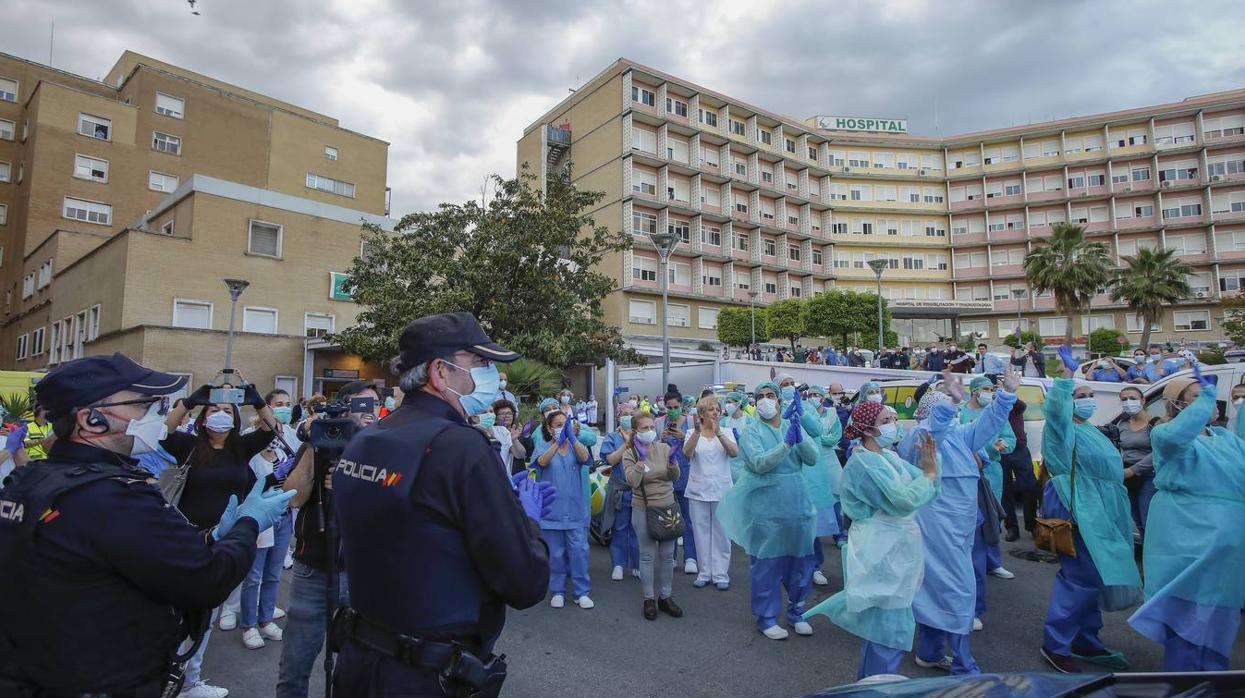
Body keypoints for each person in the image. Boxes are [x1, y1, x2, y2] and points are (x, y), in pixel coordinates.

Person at [0, 353, 293, 698]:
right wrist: (249, 521)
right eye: (145, 405)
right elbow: (208, 579)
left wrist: (213, 535)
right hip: (99, 679)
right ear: (91, 420)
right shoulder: (114, 496)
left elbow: (132, 552)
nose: (155, 415)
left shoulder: (33, 479)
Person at [330, 312, 552, 697]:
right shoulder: (461, 447)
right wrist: (527, 521)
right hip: (425, 676)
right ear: (440, 371)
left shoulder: (368, 438)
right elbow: (525, 582)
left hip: (360, 663)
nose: (490, 376)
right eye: (479, 363)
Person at [804, 400, 940, 679]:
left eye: (893, 418)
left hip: (896, 545)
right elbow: (904, 500)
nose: (894, 425)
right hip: (880, 547)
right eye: (886, 420)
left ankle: (869, 685)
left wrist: (929, 472)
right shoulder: (863, 462)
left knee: (885, 625)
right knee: (887, 627)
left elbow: (929, 489)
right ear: (868, 430)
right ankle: (876, 687)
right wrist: (928, 475)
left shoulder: (889, 458)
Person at [160, 383, 279, 694]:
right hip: (188, 536)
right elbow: (165, 429)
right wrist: (188, 401)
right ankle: (169, 673)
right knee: (177, 610)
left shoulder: (240, 448)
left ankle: (190, 679)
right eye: (214, 409)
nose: (221, 415)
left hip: (226, 538)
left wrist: (257, 401)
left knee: (208, 612)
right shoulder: (189, 445)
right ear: (203, 417)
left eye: (228, 411)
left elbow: (272, 429)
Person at [899, 370, 1019, 674]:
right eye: (945, 406)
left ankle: (930, 651)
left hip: (960, 526)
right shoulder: (920, 436)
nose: (953, 412)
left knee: (937, 587)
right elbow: (935, 431)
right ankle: (964, 663)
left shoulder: (959, 435)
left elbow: (988, 425)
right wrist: (952, 401)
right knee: (957, 589)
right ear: (931, 410)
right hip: (935, 524)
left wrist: (1005, 396)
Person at [1129, 372, 1245, 671]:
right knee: (1189, 615)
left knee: (1221, 617)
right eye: (1196, 396)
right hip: (1188, 535)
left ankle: (1212, 679)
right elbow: (1178, 435)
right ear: (1177, 405)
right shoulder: (1165, 435)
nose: (1210, 403)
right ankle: (1185, 681)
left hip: (1230, 545)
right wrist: (1206, 398)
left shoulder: (1226, 438)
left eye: (1210, 396)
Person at [1038, 348, 1142, 673]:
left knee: (1095, 578)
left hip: (1103, 511)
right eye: (1079, 395)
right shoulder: (1062, 428)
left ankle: (1085, 639)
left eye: (1089, 393)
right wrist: (1066, 380)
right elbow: (1055, 409)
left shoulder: (1090, 429)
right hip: (1079, 508)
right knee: (1080, 579)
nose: (1086, 399)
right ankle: (1056, 644)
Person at [276, 381, 378, 698]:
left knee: (357, 666)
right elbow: (292, 498)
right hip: (314, 569)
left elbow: (394, 497)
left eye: (375, 403)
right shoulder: (318, 441)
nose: (370, 411)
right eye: (363, 404)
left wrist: (356, 486)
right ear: (344, 407)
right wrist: (314, 443)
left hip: (362, 572)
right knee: (295, 667)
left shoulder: (383, 447)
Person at [718, 381, 822, 640]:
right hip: (766, 507)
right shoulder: (752, 431)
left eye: (770, 395)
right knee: (768, 563)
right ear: (754, 402)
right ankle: (766, 617)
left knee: (800, 560)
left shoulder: (791, 424)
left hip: (798, 503)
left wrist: (799, 437)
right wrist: (786, 446)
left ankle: (797, 611)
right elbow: (759, 463)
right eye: (760, 396)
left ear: (779, 400)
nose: (766, 400)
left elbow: (812, 458)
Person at [235, 389, 301, 650]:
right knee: (254, 575)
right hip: (260, 518)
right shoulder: (250, 444)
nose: (284, 408)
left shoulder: (290, 439)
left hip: (283, 514)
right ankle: (249, 624)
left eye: (288, 404)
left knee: (274, 573)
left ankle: (265, 619)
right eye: (278, 405)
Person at [959, 375, 1017, 616]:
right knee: (972, 520)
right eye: (985, 389)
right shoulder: (961, 413)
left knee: (992, 517)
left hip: (991, 473)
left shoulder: (994, 412)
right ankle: (971, 563)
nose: (988, 393)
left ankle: (994, 562)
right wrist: (983, 451)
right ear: (973, 391)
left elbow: (1010, 439)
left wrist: (999, 447)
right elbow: (959, 441)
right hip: (966, 472)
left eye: (992, 389)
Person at [622, 411, 683, 620]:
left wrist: (673, 462)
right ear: (635, 431)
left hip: (668, 507)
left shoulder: (664, 448)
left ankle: (665, 597)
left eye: (651, 427)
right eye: (644, 428)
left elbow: (673, 477)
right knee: (647, 555)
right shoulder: (630, 453)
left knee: (667, 556)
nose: (649, 432)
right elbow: (632, 481)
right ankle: (649, 598)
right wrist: (641, 460)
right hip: (643, 509)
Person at [533, 408, 594, 609]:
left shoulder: (577, 447)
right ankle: (558, 590)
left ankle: (581, 592)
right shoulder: (542, 447)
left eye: (565, 424)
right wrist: (557, 443)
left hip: (575, 511)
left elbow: (585, 459)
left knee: (579, 553)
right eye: (558, 425)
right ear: (549, 429)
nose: (562, 428)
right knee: (555, 554)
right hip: (551, 512)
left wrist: (572, 439)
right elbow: (541, 462)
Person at [683, 395, 738, 590]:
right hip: (698, 489)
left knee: (722, 533)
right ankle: (705, 572)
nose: (715, 412)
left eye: (717, 409)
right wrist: (698, 433)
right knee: (701, 532)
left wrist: (719, 433)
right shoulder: (691, 432)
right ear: (701, 414)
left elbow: (734, 453)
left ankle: (721, 574)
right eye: (710, 409)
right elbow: (687, 453)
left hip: (722, 489)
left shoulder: (728, 432)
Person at [1097, 386, 1156, 539]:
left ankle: (1154, 556)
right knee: (1138, 520)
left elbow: (1159, 452)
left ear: (1143, 400)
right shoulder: (1122, 424)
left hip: (1149, 475)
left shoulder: (1155, 424)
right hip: (1127, 476)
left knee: (1148, 519)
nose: (1128, 402)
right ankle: (1146, 554)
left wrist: (1134, 470)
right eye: (1124, 399)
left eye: (1133, 398)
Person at [806, 385, 846, 584]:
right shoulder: (803, 413)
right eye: (811, 395)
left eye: (817, 395)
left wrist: (818, 437)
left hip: (828, 460)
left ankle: (839, 534)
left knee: (834, 497)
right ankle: (806, 567)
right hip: (809, 466)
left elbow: (835, 436)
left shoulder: (832, 413)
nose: (814, 398)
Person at [656, 392, 697, 575]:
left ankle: (690, 557)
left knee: (688, 518)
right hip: (667, 475)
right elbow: (653, 449)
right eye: (669, 407)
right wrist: (661, 440)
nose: (672, 411)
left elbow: (699, 447)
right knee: (669, 518)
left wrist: (684, 436)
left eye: (675, 407)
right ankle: (669, 556)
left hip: (688, 474)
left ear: (682, 406)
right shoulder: (658, 423)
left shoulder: (691, 422)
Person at [599, 406, 640, 582]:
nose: (628, 417)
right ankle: (618, 564)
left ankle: (638, 564)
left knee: (638, 529)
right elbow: (611, 460)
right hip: (620, 491)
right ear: (617, 417)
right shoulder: (611, 438)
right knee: (620, 527)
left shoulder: (643, 436)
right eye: (624, 414)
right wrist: (626, 443)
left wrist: (635, 440)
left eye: (631, 414)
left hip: (638, 491)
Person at [999, 396, 1038, 541]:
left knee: (1030, 487)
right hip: (1001, 453)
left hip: (1019, 450)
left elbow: (1021, 405)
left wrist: (1007, 393)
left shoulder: (1013, 406)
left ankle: (1032, 525)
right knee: (1005, 491)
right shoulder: (993, 408)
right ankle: (1012, 528)